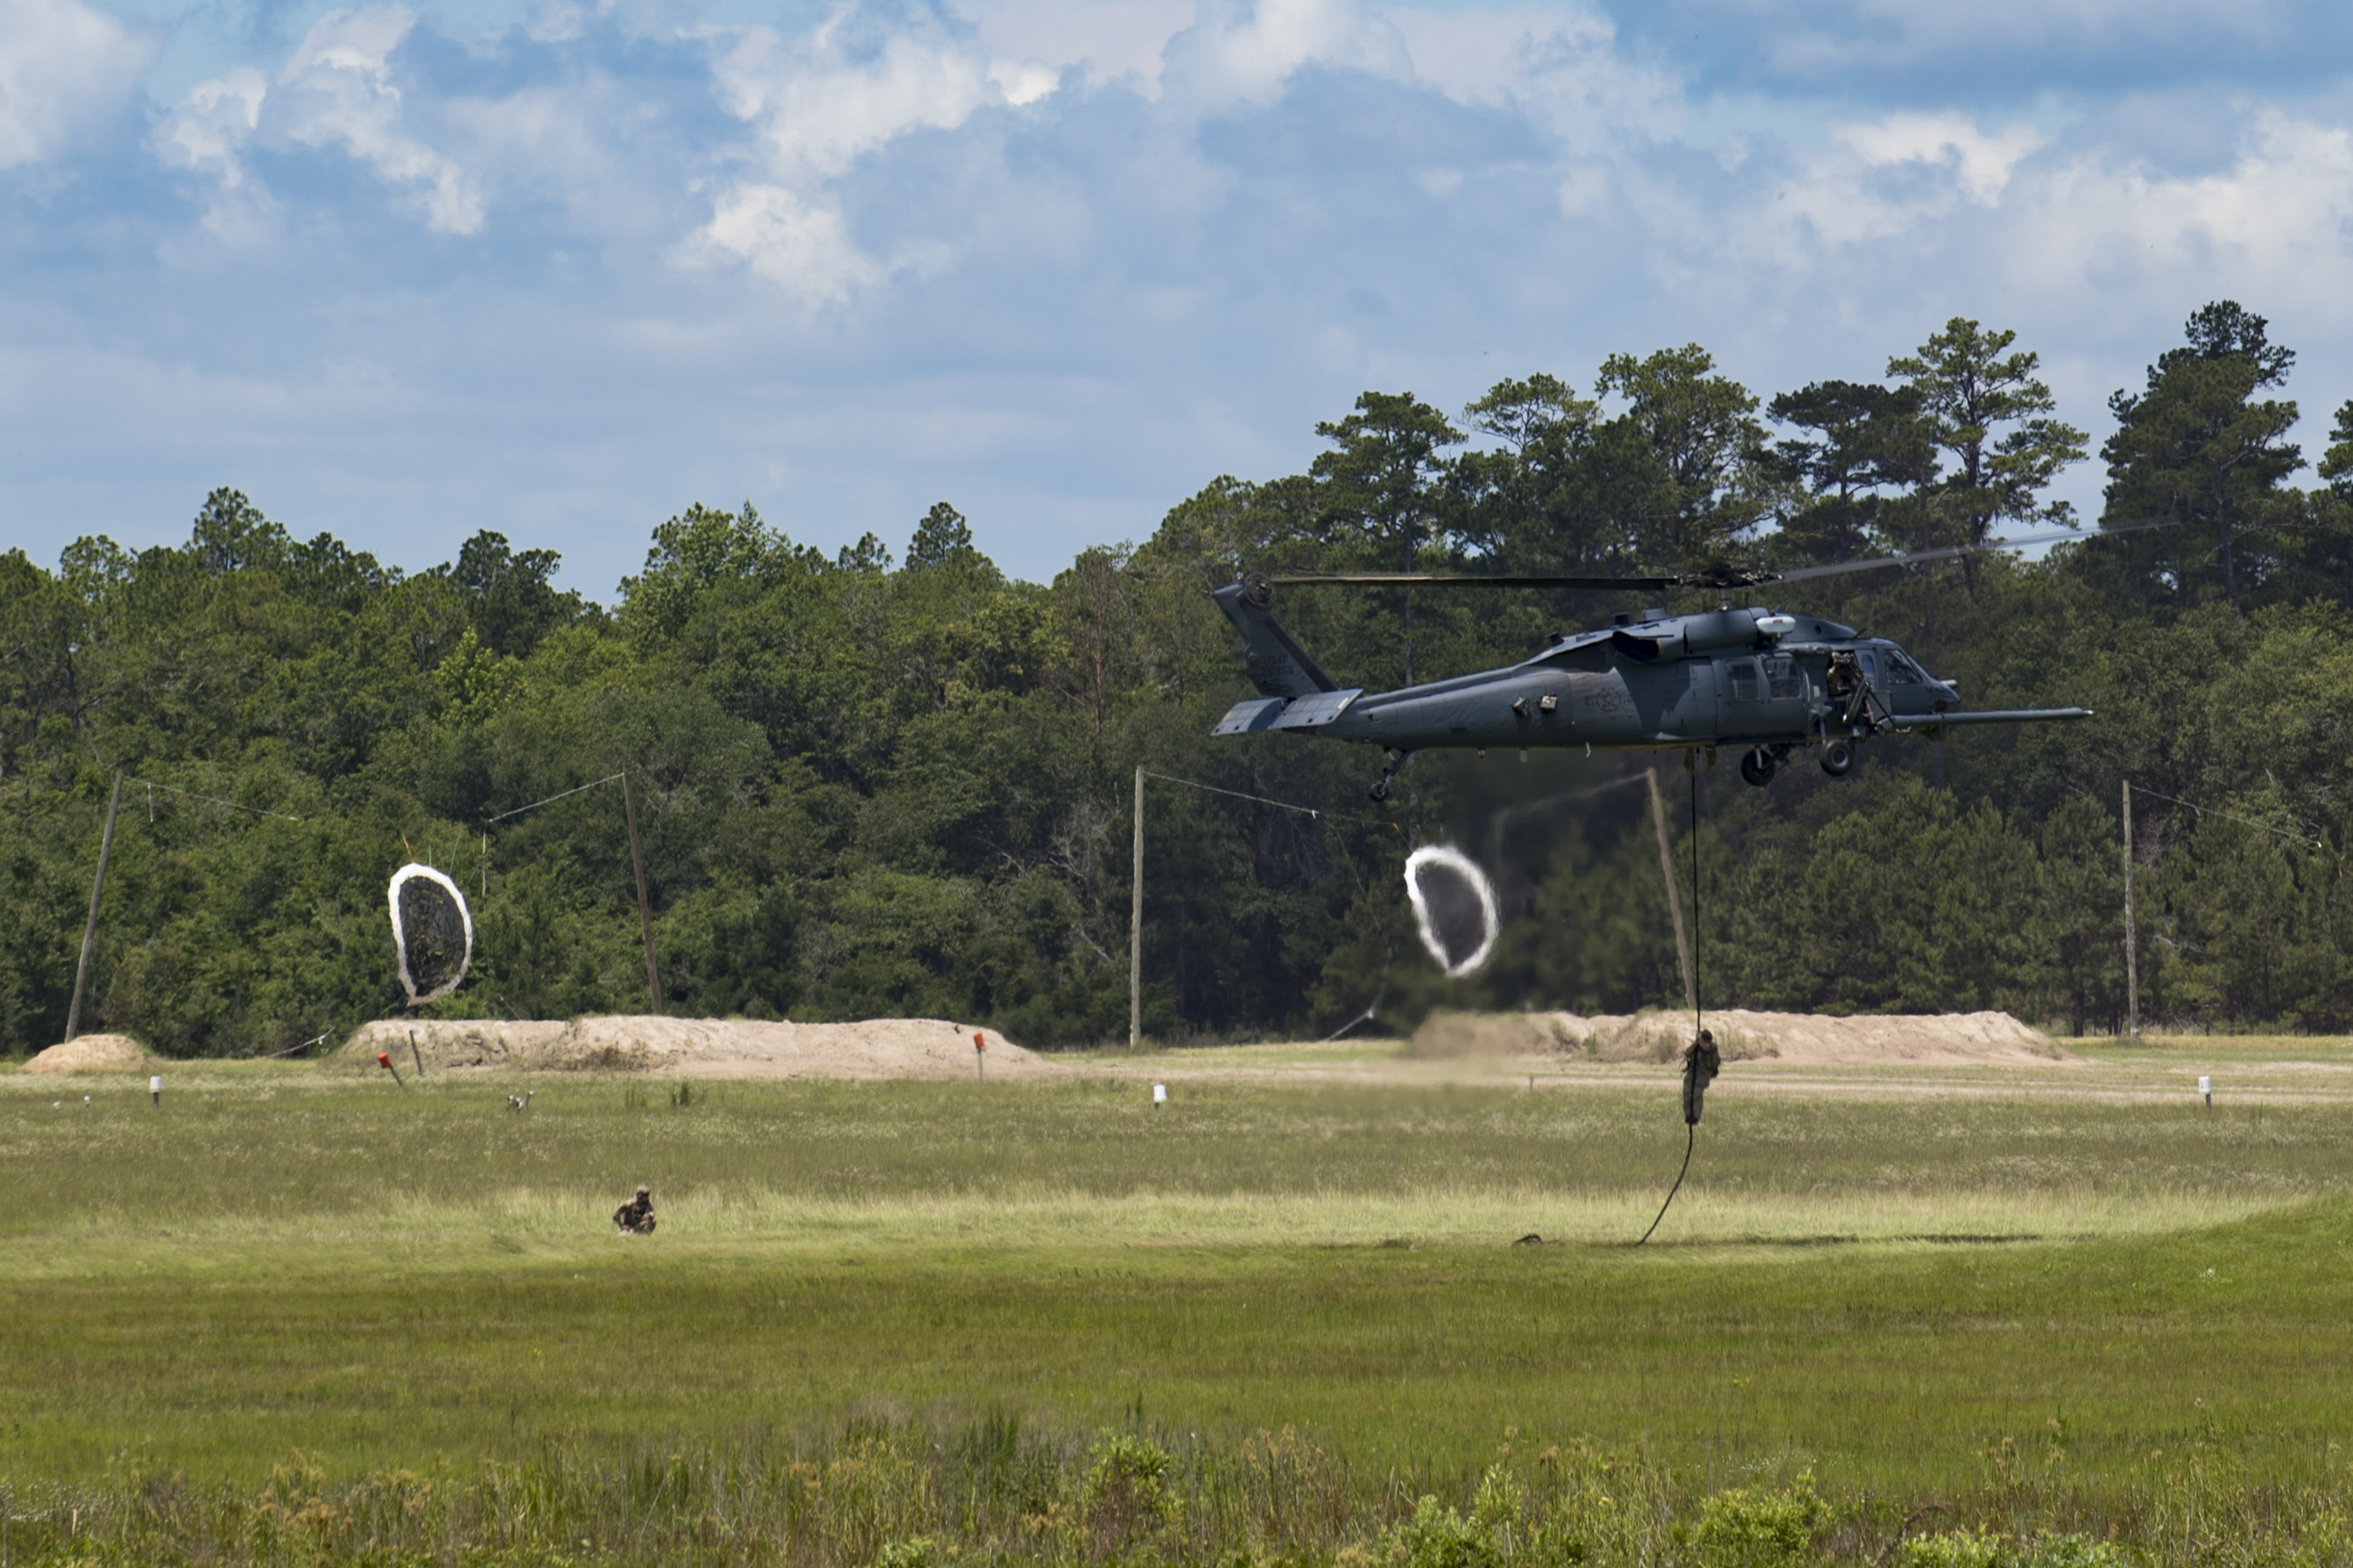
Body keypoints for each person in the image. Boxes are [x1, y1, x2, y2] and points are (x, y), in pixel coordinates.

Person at [1681, 1030, 1720, 1126]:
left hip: (1703, 1073)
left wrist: (1699, 1040)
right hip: (1693, 1072)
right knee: (1687, 1092)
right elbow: (1687, 1053)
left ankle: (1695, 1116)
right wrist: (1696, 1043)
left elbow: (1706, 1047)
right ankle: (1688, 1115)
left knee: (1697, 1094)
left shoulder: (1713, 1047)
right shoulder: (1696, 1046)